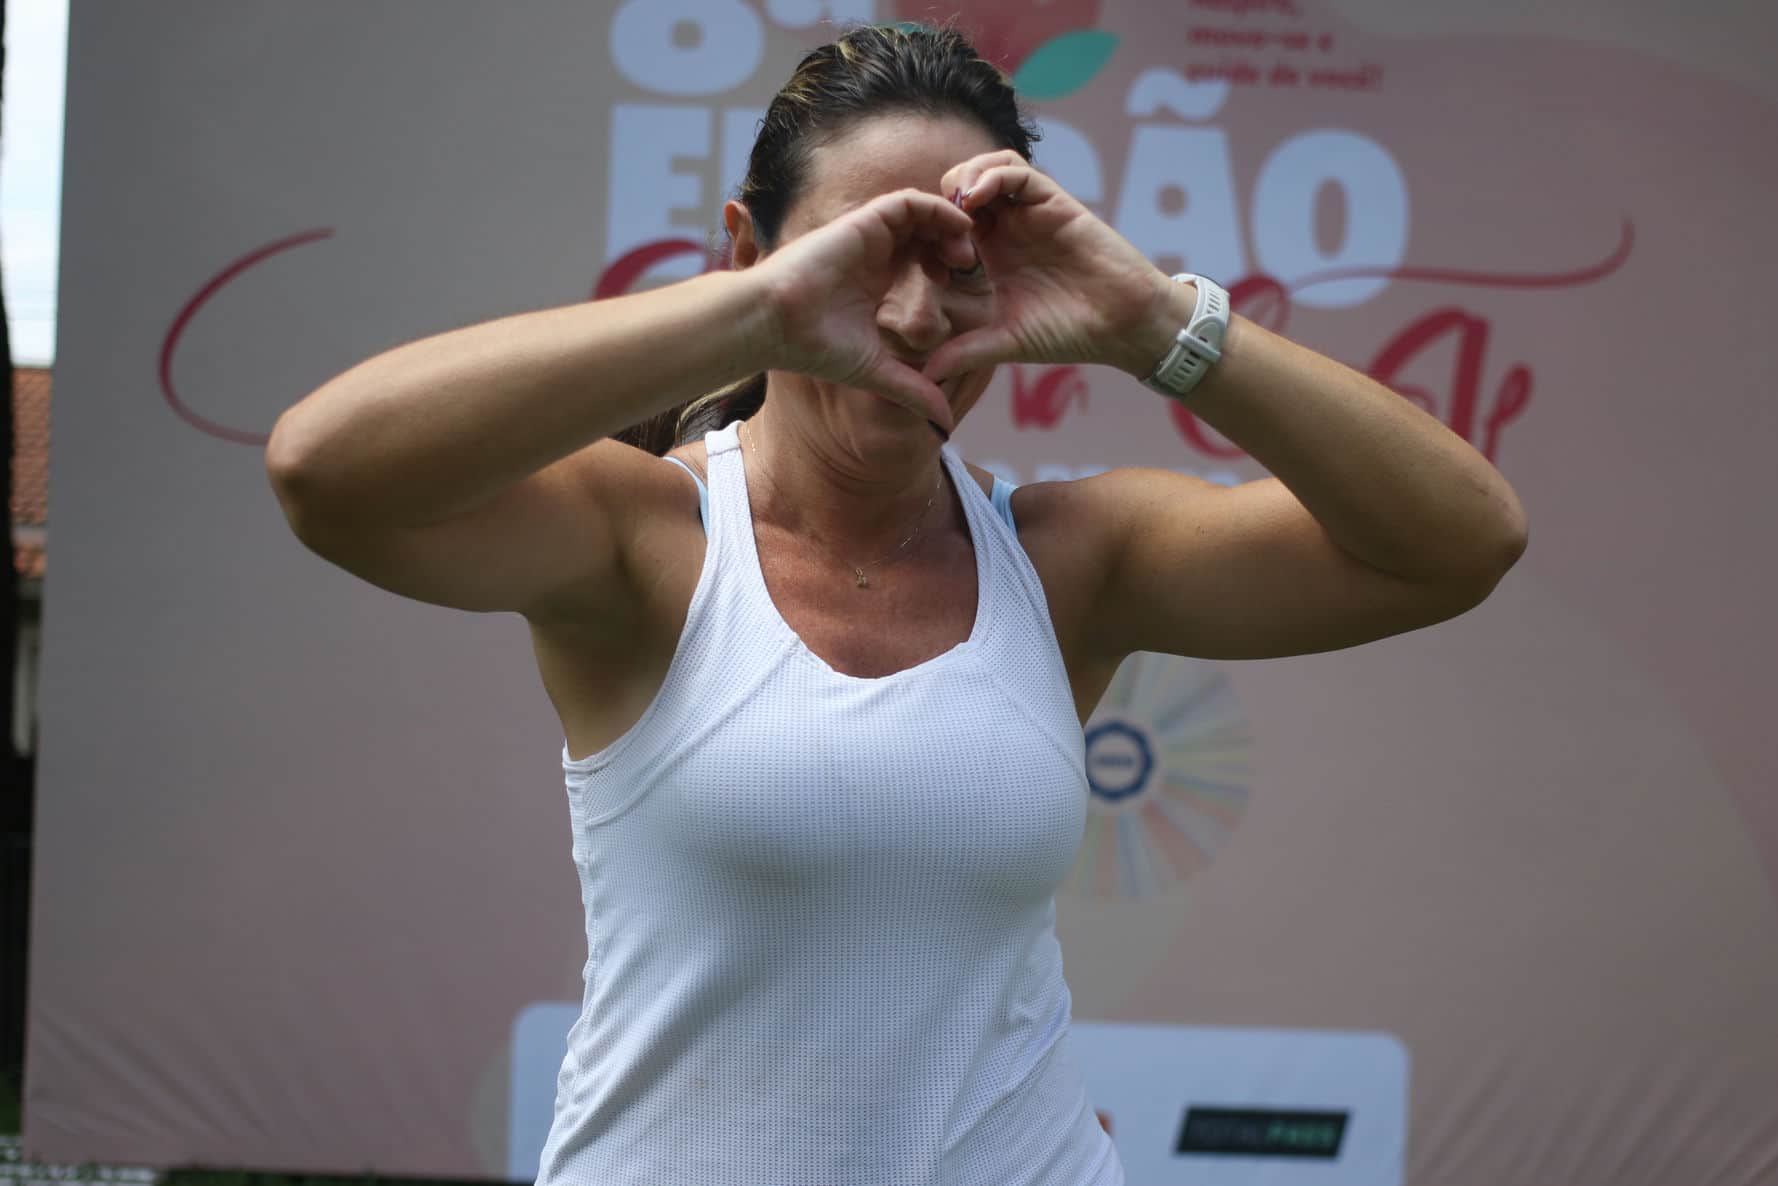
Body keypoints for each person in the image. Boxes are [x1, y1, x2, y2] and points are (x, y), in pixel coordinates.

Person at [265, 23, 1525, 1186]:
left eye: (959, 267)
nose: (913, 314)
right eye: (859, 254)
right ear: (752, 250)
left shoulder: (1068, 560)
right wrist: (759, 314)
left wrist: (1152, 318)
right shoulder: (645, 539)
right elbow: (328, 473)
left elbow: (1460, 543)